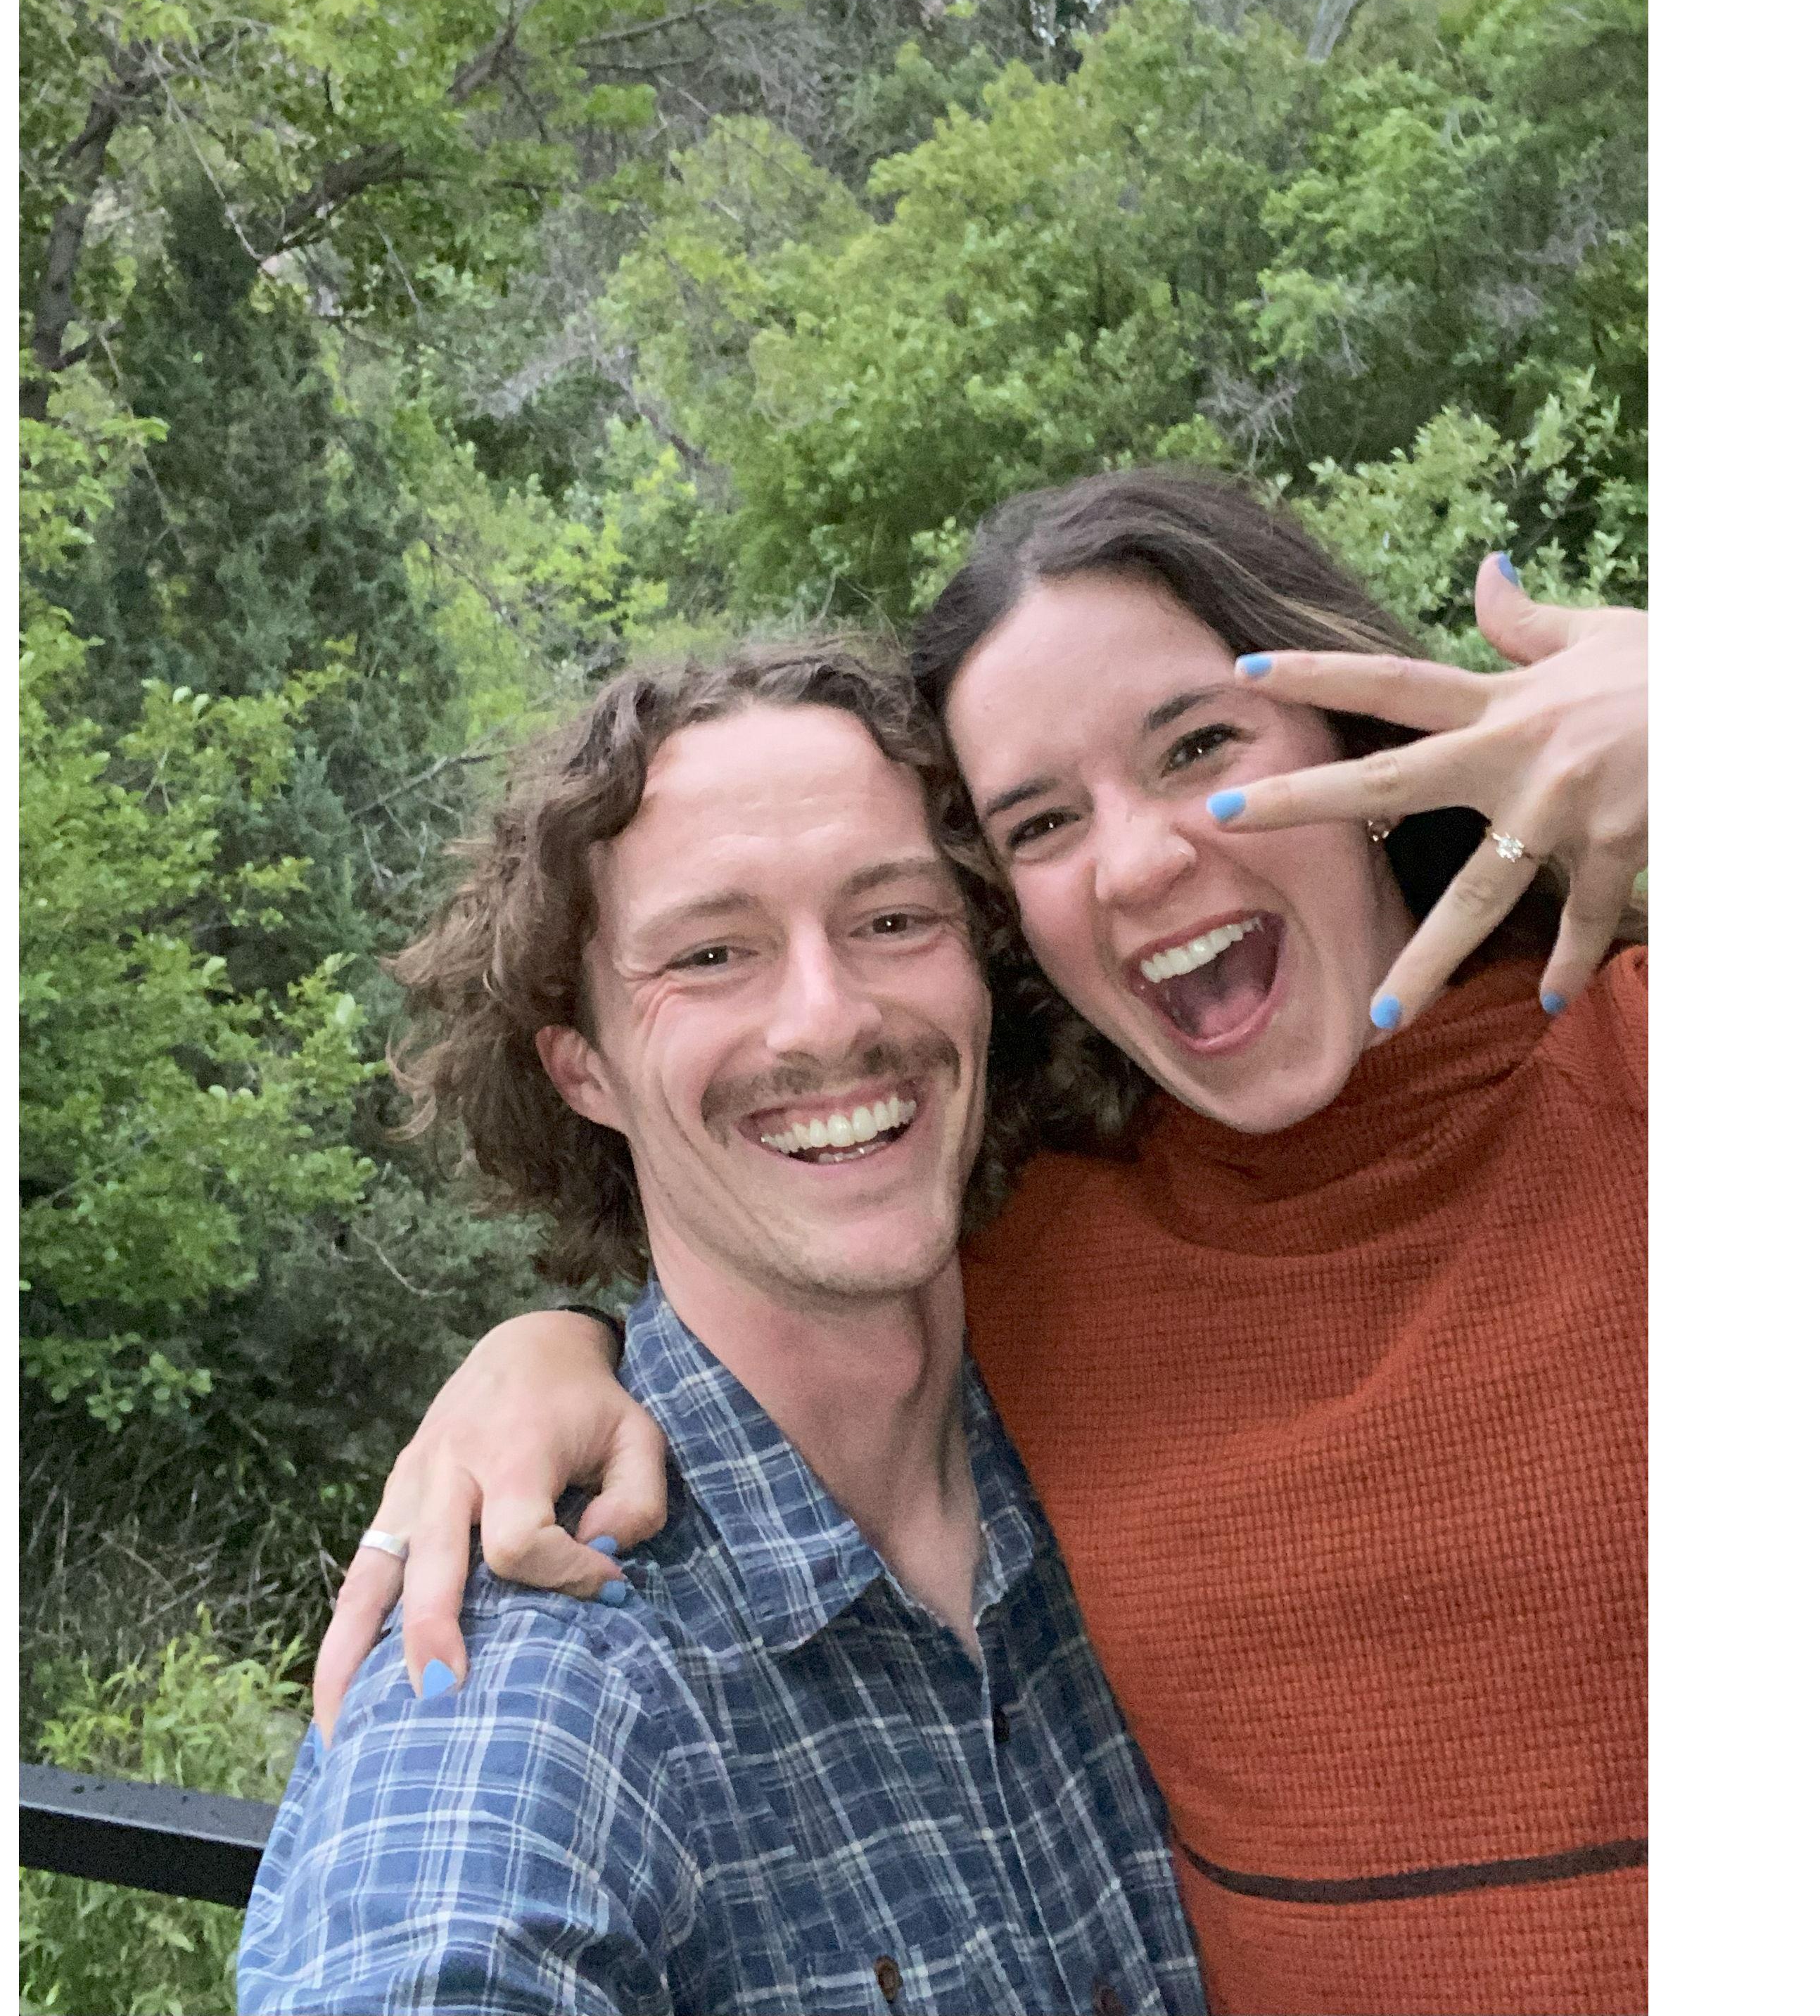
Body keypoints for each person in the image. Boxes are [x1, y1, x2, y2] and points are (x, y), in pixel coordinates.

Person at [317, 471, 1648, 2016]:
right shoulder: (1041, 1258)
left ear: (1360, 735)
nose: (1142, 860)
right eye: (1038, 821)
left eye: (1200, 744)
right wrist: (555, 1343)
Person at [237, 646, 1209, 2016]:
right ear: (582, 1067)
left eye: (892, 919)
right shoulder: (549, 1662)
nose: (828, 1015)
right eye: (710, 953)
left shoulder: (1127, 1399)